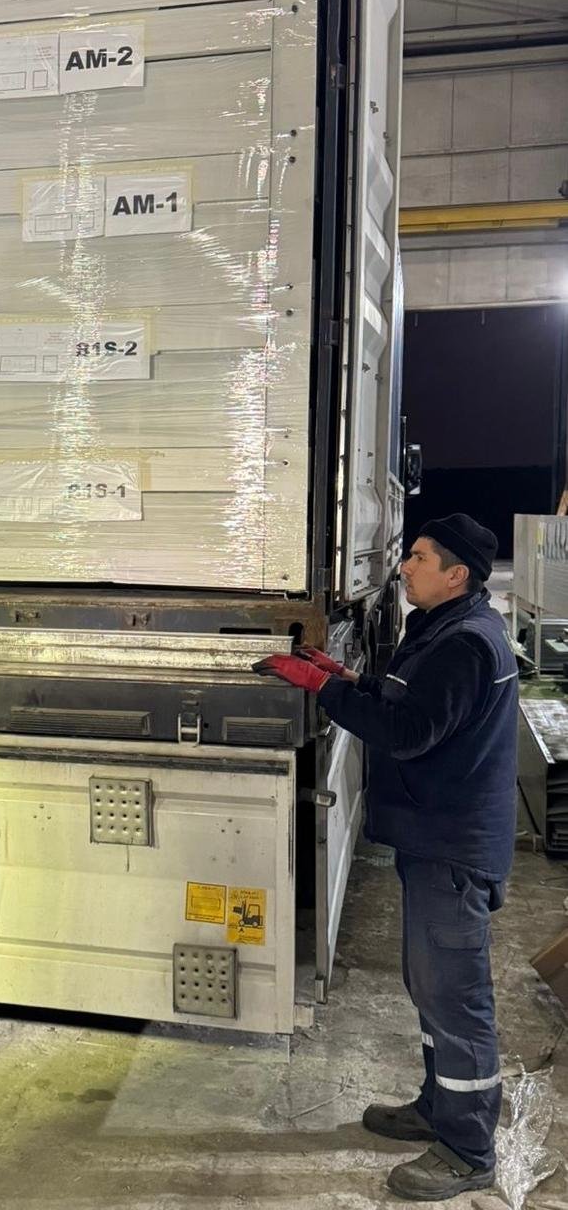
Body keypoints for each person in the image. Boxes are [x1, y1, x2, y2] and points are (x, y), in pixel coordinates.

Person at [256, 514, 517, 1203]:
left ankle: (467, 1150)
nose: (404, 566)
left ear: (456, 574)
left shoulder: (465, 644)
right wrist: (346, 676)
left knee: (454, 998)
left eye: (419, 557)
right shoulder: (439, 627)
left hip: (451, 847)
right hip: (433, 837)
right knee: (428, 986)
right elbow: (409, 700)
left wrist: (326, 692)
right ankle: (438, 1106)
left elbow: (407, 732)